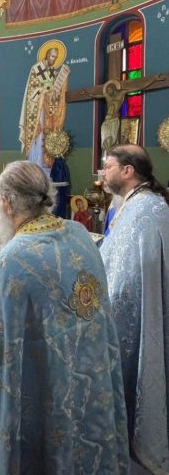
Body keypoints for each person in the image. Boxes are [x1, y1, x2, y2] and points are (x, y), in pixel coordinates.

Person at [0, 160, 129, 474]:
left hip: (51, 383)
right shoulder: (79, 234)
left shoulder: (14, 256)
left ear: (7, 203)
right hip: (91, 373)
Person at [99, 144, 169, 474]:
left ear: (128, 171)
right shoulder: (145, 203)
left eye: (108, 166)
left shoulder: (142, 212)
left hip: (134, 317)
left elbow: (124, 281)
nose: (103, 172)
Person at [19, 44, 70, 173]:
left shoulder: (53, 72)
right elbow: (32, 92)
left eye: (56, 57)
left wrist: (63, 78)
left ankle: (45, 166)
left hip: (49, 111)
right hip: (37, 110)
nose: (54, 59)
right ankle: (35, 164)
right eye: (52, 56)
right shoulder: (36, 69)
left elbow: (57, 93)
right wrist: (45, 91)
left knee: (47, 135)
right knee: (38, 135)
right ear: (47, 55)